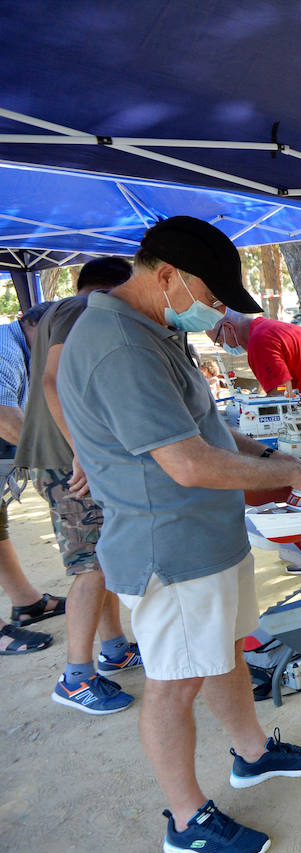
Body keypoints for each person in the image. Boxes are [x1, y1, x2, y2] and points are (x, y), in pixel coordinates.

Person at [57, 216, 301, 853]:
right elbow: (187, 463)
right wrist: (294, 472)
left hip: (206, 537)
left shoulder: (153, 327)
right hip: (172, 547)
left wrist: (277, 454)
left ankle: (253, 753)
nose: (217, 312)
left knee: (222, 654)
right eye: (213, 297)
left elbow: (208, 429)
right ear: (166, 276)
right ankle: (187, 818)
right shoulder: (119, 345)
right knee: (174, 682)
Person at [16, 257, 146, 712]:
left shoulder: (60, 309)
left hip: (64, 458)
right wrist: (84, 451)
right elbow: (52, 384)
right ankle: (75, 677)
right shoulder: (82, 309)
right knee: (89, 566)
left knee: (101, 556)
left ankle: (114, 649)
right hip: (68, 462)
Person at [0, 306, 63, 657]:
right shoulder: (3, 349)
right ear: (33, 323)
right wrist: (56, 458)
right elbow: (5, 417)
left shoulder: (27, 349)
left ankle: (27, 603)